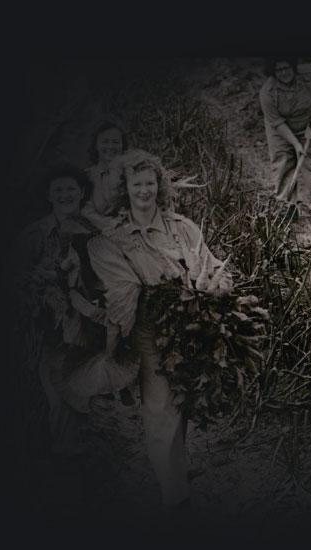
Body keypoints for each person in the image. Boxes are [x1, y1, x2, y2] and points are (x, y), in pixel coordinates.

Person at [87, 149, 232, 509]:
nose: (144, 191)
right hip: (150, 328)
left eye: (150, 183)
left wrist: (216, 284)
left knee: (182, 401)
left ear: (160, 186)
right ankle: (175, 498)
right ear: (125, 189)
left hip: (192, 324)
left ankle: (175, 472)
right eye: (137, 184)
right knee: (160, 406)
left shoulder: (182, 228)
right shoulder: (115, 238)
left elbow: (214, 267)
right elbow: (121, 290)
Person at [9, 164, 105, 458]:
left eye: (71, 189)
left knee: (83, 386)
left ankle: (83, 449)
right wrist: (48, 284)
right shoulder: (36, 233)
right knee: (59, 388)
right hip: (48, 326)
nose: (65, 195)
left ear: (82, 193)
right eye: (58, 190)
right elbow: (13, 277)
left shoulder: (92, 228)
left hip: (88, 322)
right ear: (49, 196)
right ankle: (66, 456)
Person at [259, 58, 311, 225]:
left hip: (309, 121)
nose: (284, 73)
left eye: (287, 68)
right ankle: (288, 206)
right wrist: (296, 144)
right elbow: (276, 123)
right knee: (283, 161)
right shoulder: (268, 92)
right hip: (280, 129)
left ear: (294, 67)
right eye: (279, 70)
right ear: (273, 72)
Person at [82, 119, 128, 230]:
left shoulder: (131, 174)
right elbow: (85, 210)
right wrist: (110, 225)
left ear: (122, 145)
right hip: (94, 232)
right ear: (96, 145)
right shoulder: (86, 177)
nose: (110, 147)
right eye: (105, 142)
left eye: (115, 142)